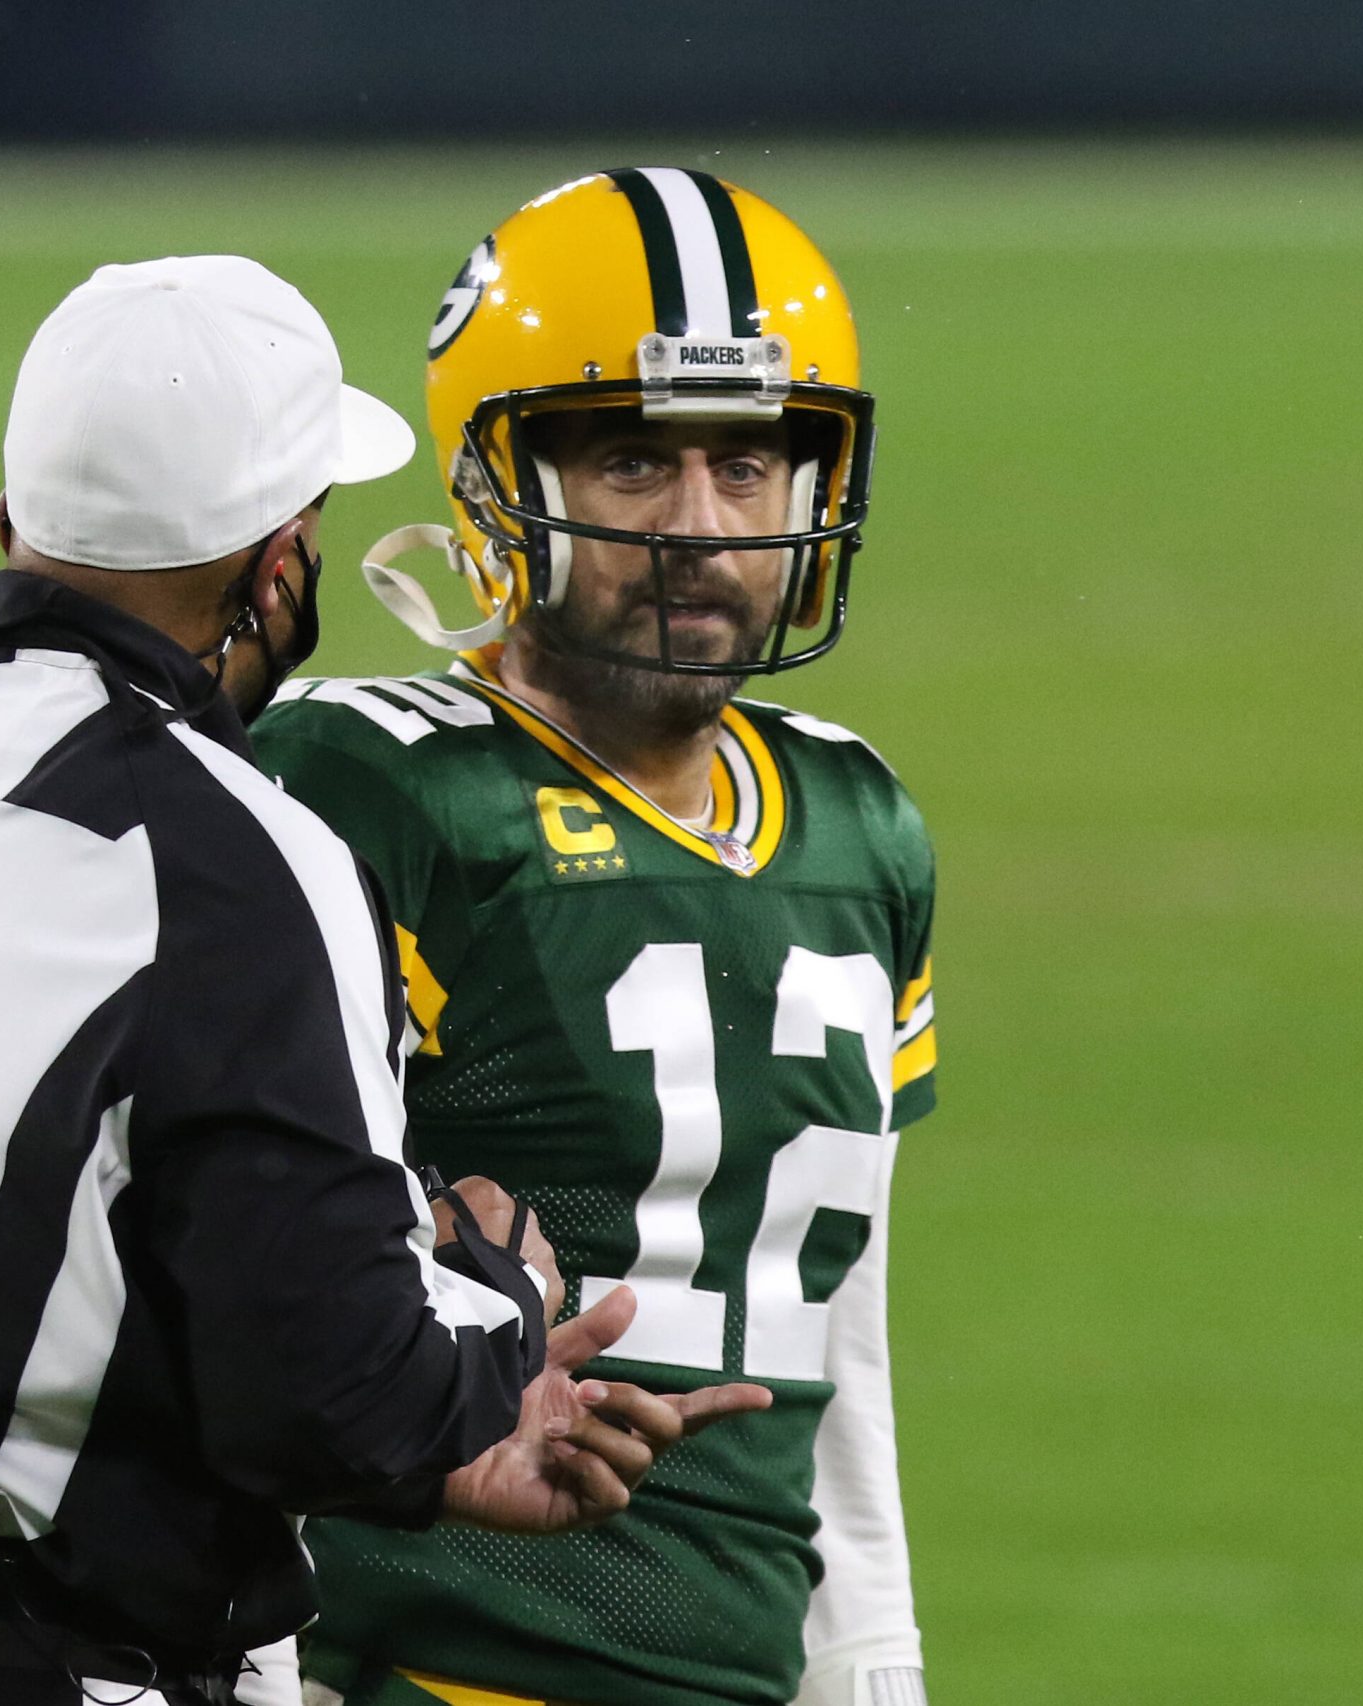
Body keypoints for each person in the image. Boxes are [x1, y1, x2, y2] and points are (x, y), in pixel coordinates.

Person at [0, 254, 756, 1706]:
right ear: (279, 558)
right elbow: (337, 1396)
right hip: (9, 1661)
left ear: (16, 516)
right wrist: (498, 1302)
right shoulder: (229, 852)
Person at [248, 171, 936, 1706]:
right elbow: (213, 1268)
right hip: (414, 1666)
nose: (701, 527)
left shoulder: (857, 822)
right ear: (496, 484)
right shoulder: (369, 789)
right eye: (633, 460)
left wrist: (870, 1660)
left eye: (748, 464)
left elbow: (835, 1322)